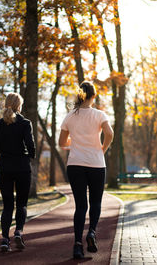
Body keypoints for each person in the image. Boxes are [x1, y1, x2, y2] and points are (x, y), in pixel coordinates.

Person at [58, 81, 114, 259]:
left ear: (79, 95)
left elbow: (61, 143)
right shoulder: (99, 114)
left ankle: (77, 245)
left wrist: (74, 144)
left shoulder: (70, 116)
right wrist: (102, 149)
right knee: (96, 203)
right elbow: (110, 134)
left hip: (75, 164)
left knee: (80, 206)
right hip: (96, 164)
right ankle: (91, 232)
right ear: (93, 96)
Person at [0, 93, 35, 252]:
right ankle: (18, 231)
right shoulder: (25, 123)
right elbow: (30, 146)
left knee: (7, 205)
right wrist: (31, 155)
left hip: (5, 167)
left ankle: (5, 239)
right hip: (22, 167)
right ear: (19, 105)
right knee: (22, 204)